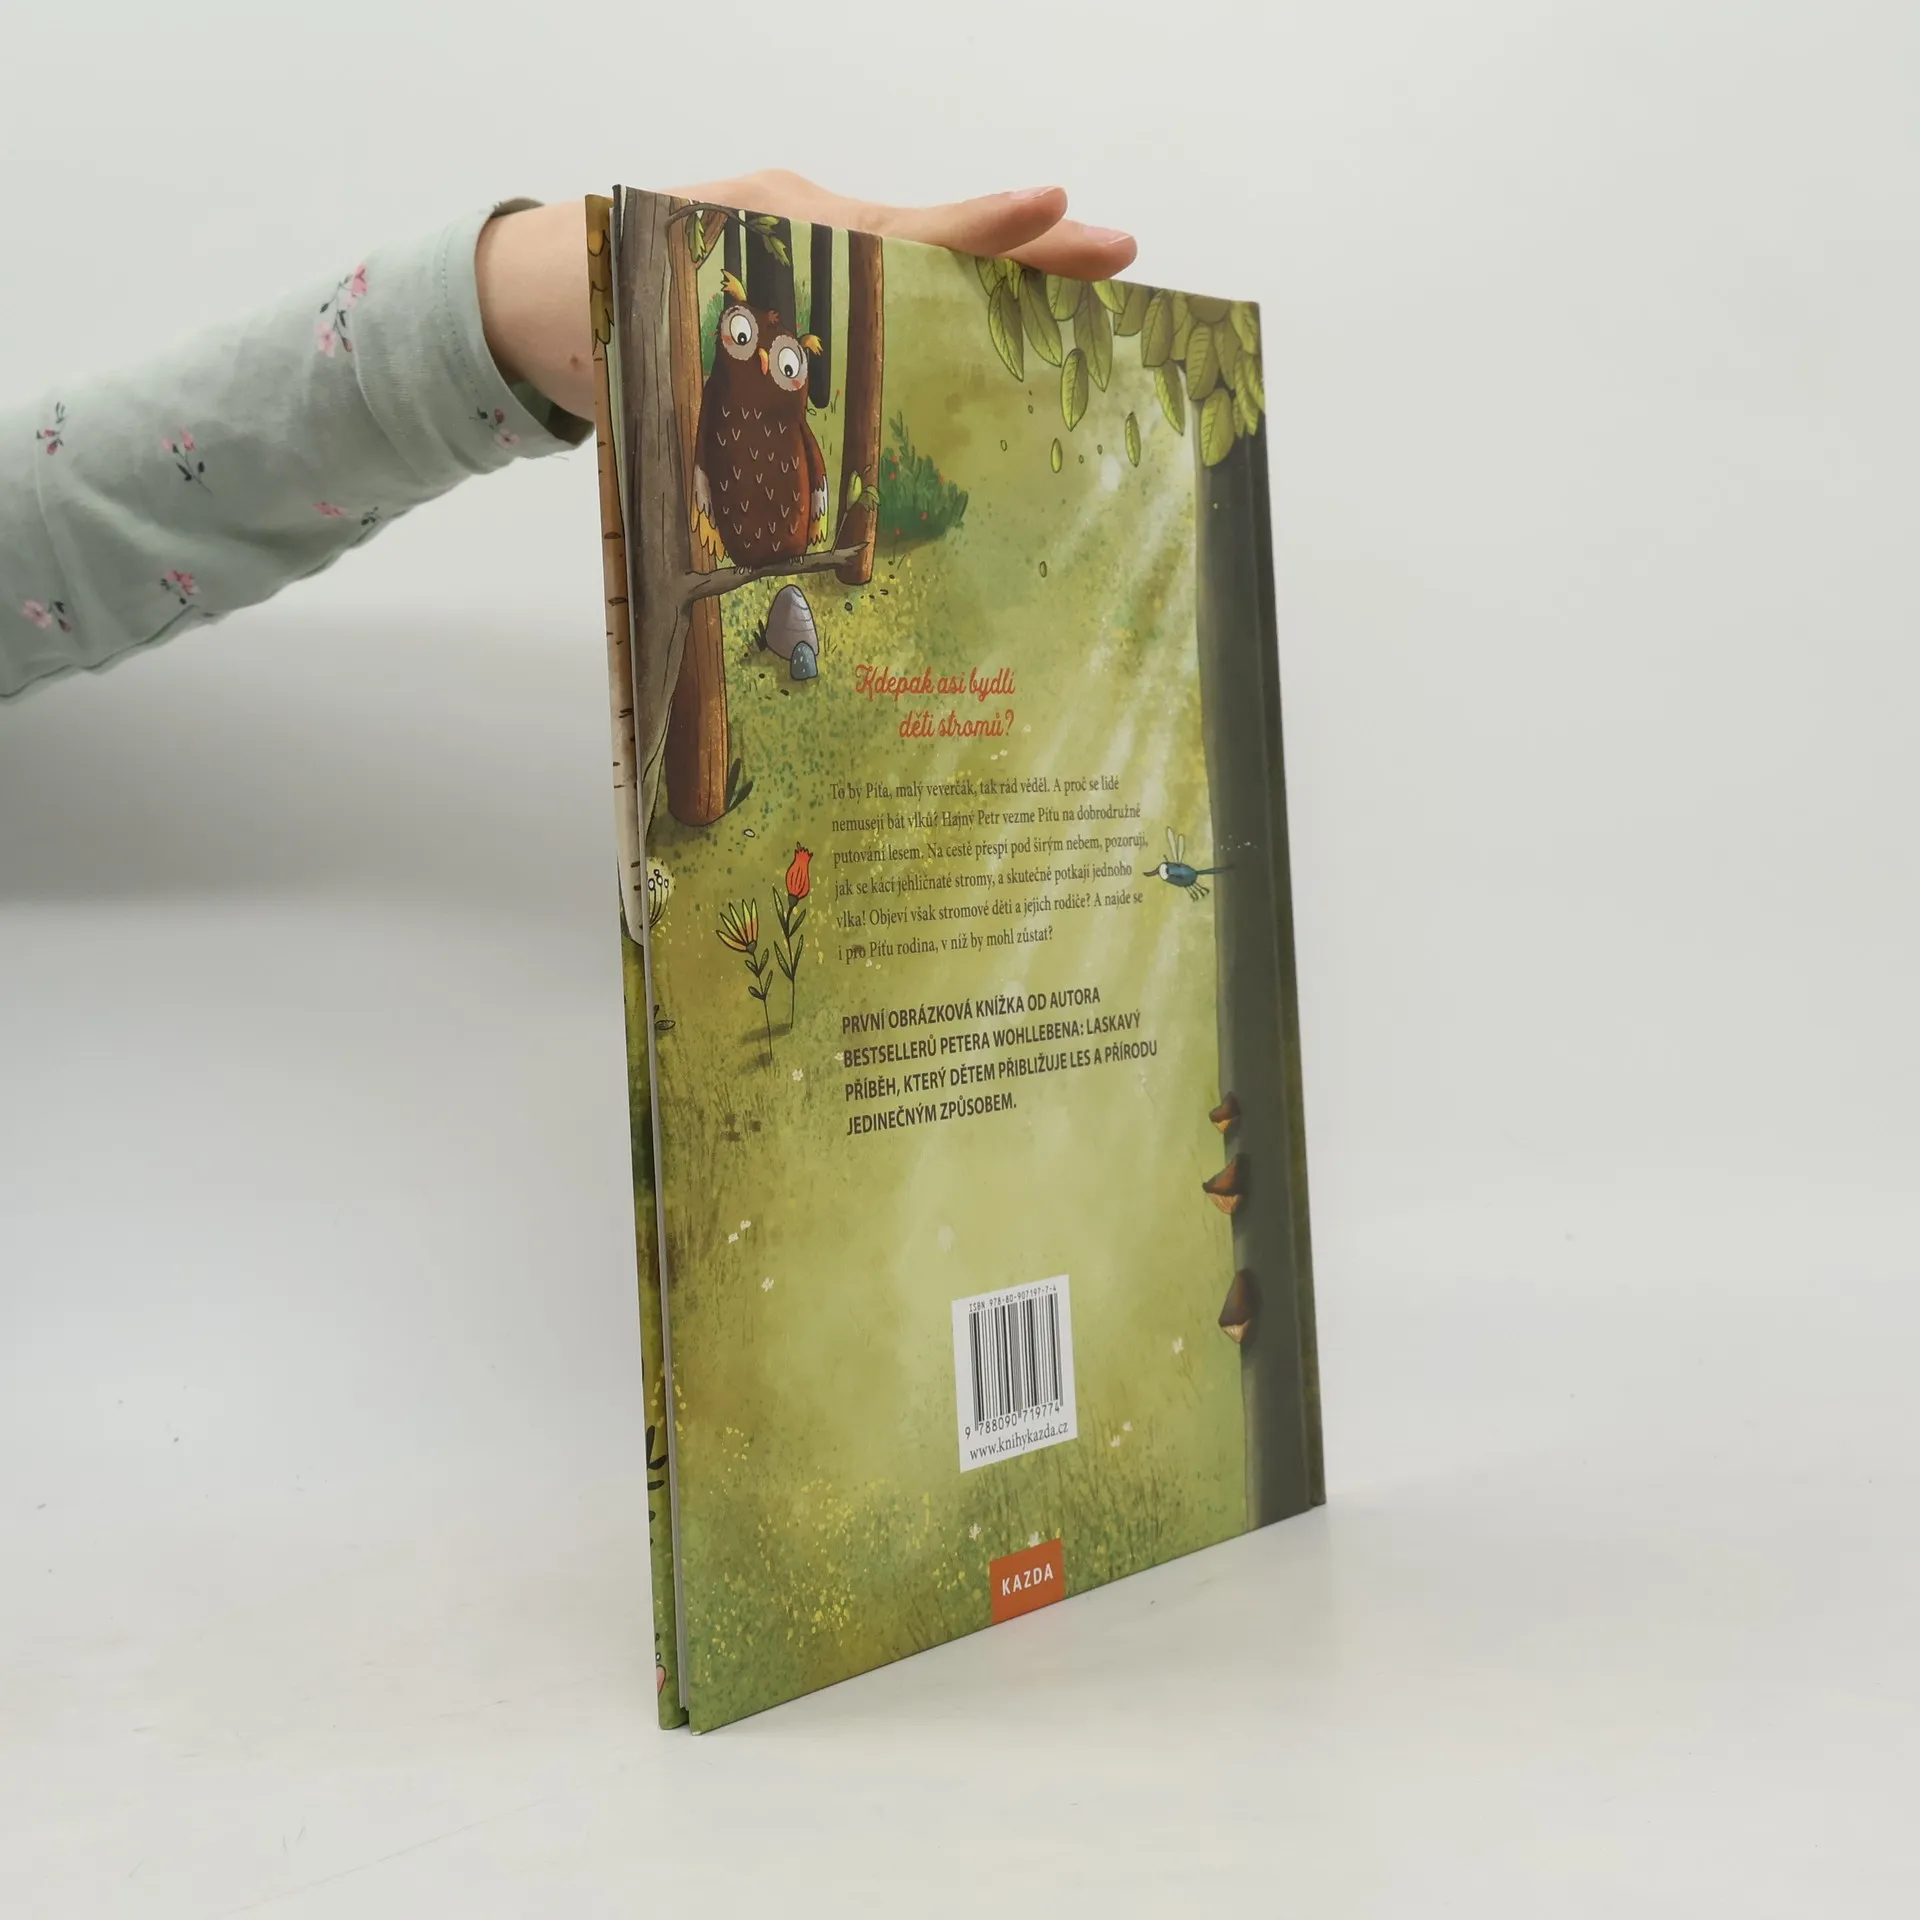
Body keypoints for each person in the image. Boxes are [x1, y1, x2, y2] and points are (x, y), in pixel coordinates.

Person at [0, 173, 1134, 704]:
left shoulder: (776, 412)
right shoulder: (728, 392)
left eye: (775, 355)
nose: (763, 361)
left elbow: (58, 528)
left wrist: (500, 311)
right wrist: (497, 317)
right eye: (750, 343)